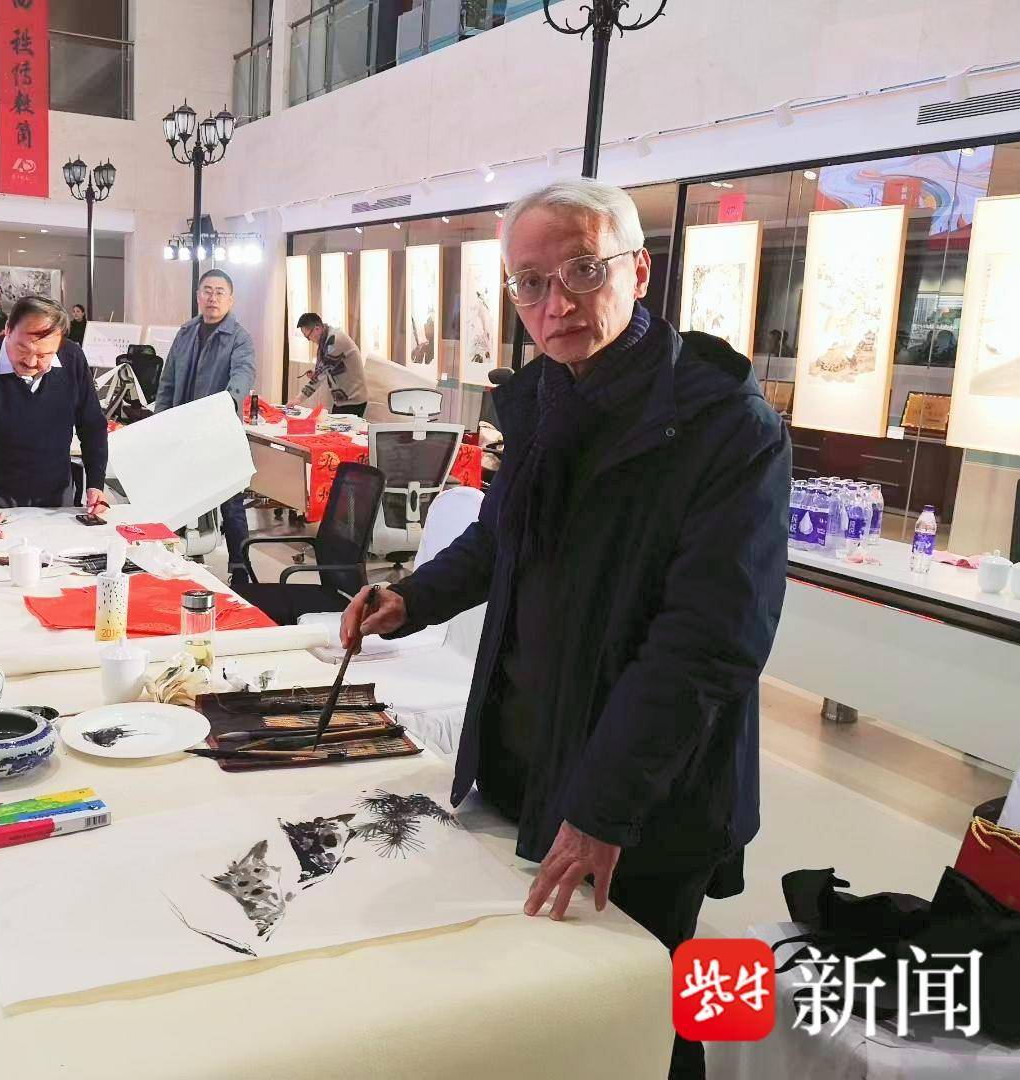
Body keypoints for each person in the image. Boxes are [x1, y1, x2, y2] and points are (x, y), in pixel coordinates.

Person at [339, 180, 791, 1080]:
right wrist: (412, 599)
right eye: (532, 283)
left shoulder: (725, 425)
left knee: (640, 1016)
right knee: (546, 1018)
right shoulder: (547, 395)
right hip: (536, 755)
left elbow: (707, 645)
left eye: (585, 271)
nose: (557, 304)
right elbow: (503, 537)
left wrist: (603, 810)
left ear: (638, 272)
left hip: (645, 796)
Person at [0, 295, 108, 523]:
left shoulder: (72, 359)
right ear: (8, 330)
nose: (30, 362)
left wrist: (96, 484)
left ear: (59, 344)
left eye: (43, 355)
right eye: (22, 348)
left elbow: (92, 426)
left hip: (56, 497)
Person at [154, 268, 256, 572]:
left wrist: (225, 405)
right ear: (198, 296)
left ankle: (240, 568)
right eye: (207, 291)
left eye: (219, 292)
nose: (213, 298)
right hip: (181, 435)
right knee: (177, 501)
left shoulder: (239, 338)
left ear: (230, 299)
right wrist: (160, 421)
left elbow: (243, 375)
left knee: (231, 504)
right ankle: (176, 563)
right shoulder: (186, 332)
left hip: (219, 434)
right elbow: (168, 380)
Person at [290, 312, 368, 416]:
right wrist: (317, 373)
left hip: (353, 401)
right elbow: (326, 369)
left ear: (317, 329)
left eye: (308, 336)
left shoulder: (334, 341)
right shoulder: (327, 338)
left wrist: (298, 399)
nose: (309, 340)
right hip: (343, 400)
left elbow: (321, 375)